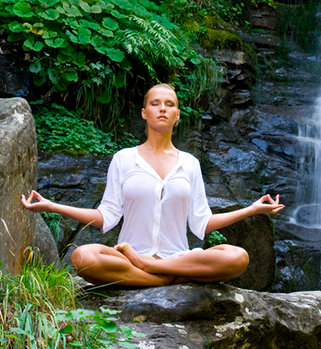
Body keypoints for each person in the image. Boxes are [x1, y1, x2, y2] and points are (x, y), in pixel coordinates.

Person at [22, 83, 284, 287]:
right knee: (83, 257)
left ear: (177, 114)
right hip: (128, 259)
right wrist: (52, 206)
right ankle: (164, 278)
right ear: (144, 113)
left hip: (179, 258)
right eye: (155, 103)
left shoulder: (190, 164)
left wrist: (251, 210)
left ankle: (152, 270)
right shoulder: (124, 159)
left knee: (238, 257)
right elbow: (106, 217)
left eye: (169, 104)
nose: (162, 108)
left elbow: (201, 223)